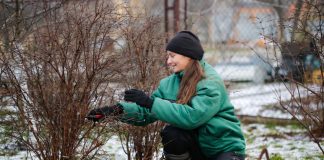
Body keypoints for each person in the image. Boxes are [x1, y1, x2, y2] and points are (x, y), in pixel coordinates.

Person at [87, 31, 246, 160]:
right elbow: (146, 112)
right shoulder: (168, 84)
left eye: (172, 55)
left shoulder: (210, 82)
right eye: (168, 56)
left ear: (188, 55)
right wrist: (116, 111)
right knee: (173, 133)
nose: (168, 61)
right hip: (196, 147)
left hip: (223, 149)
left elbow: (193, 117)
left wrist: (150, 102)